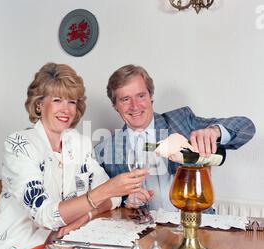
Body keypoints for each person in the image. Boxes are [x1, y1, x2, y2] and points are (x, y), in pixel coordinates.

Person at [0, 63, 148, 249]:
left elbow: (113, 197)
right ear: (39, 104)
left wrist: (84, 217)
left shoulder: (80, 143)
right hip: (19, 246)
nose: (66, 109)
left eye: (72, 102)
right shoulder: (19, 144)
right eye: (57, 100)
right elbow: (46, 215)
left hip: (67, 242)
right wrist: (105, 192)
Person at [94, 64, 256, 211]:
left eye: (141, 96)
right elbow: (100, 201)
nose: (135, 106)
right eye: (125, 99)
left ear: (151, 96)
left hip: (198, 229)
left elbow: (247, 127)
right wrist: (125, 202)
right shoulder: (105, 150)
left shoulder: (181, 120)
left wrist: (214, 131)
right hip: (144, 236)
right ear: (115, 106)